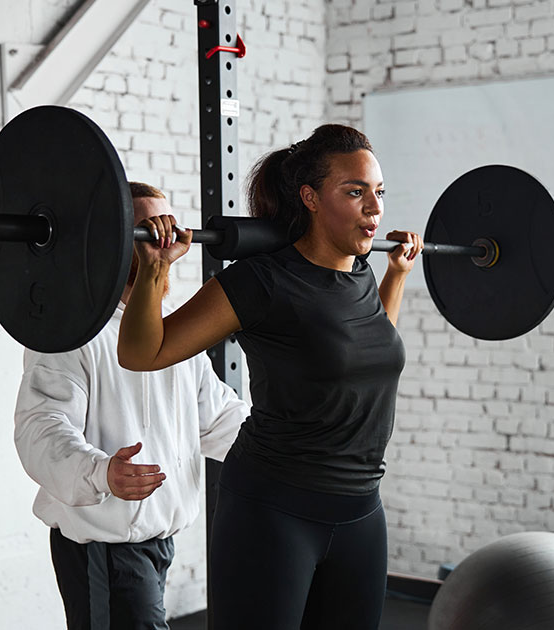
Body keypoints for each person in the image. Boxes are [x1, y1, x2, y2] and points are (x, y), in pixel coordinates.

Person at [118, 124, 423, 630]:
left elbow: (367, 348)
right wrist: (152, 270)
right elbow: (143, 352)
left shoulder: (363, 273)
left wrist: (396, 275)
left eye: (379, 192)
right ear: (311, 198)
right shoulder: (261, 281)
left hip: (361, 510)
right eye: (355, 192)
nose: (375, 208)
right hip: (275, 509)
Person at [14, 182, 249, 630]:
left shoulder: (172, 333)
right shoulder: (74, 334)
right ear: (115, 242)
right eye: (146, 233)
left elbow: (219, 418)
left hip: (157, 542)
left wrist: (294, 450)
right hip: (103, 548)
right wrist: (101, 472)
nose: (160, 244)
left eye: (167, 231)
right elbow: (40, 428)